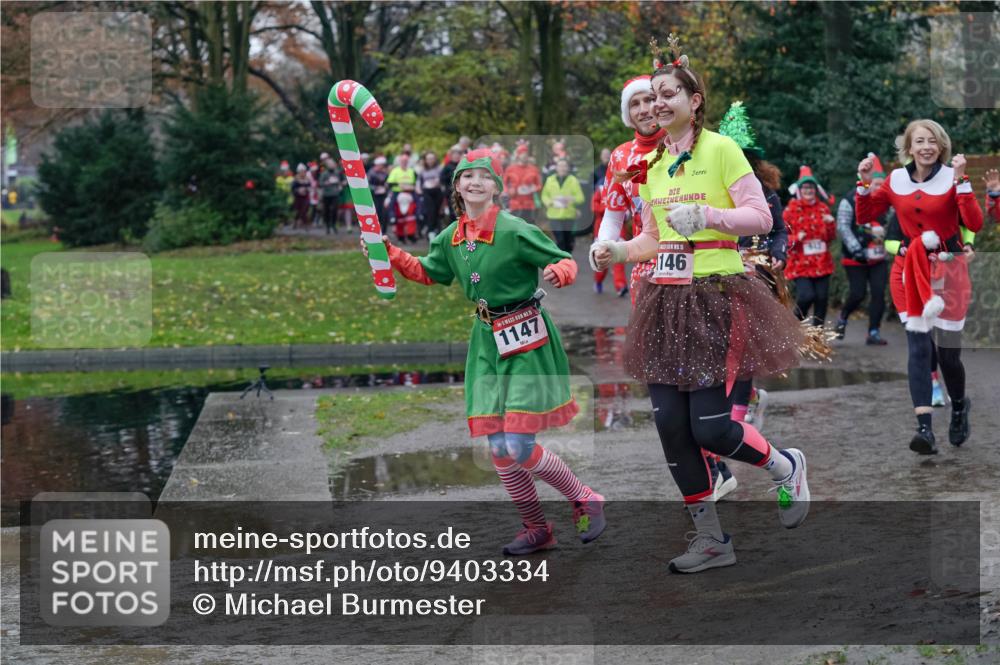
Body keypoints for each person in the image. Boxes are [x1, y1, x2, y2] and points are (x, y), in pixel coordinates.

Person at [591, 34, 809, 573]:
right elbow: (652, 238)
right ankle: (711, 539)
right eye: (652, 95)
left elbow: (761, 218)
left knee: (710, 428)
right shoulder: (652, 165)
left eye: (669, 93)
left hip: (716, 295)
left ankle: (785, 466)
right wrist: (618, 250)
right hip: (662, 300)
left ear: (694, 101)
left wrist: (709, 217)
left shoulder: (721, 149)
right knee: (670, 426)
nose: (658, 103)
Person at [361, 148, 606, 555]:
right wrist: (389, 253)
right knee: (497, 447)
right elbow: (429, 271)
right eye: (467, 176)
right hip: (486, 341)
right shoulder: (450, 237)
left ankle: (585, 497)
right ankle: (537, 528)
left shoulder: (514, 229)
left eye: (484, 176)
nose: (475, 182)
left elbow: (563, 259)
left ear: (496, 187)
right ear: (457, 186)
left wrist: (560, 271)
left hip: (526, 341)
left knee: (519, 444)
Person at [856, 119, 983, 454]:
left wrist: (963, 181)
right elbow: (865, 215)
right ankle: (924, 428)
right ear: (909, 147)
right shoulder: (896, 179)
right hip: (910, 270)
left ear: (941, 147)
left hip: (949, 271)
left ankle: (959, 406)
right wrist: (864, 183)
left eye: (933, 141)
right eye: (920, 141)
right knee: (919, 347)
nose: (927, 147)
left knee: (948, 355)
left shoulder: (952, 177)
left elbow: (974, 222)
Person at [717, 100, 789, 437]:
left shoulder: (766, 193)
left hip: (755, 275)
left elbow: (779, 231)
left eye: (742, 156)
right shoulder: (710, 189)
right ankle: (746, 399)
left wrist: (778, 253)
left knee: (742, 343)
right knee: (722, 345)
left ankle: (739, 416)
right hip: (717, 273)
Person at [590, 75, 665, 301]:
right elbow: (614, 216)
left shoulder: (684, 145)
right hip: (645, 266)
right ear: (628, 114)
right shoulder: (620, 156)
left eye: (649, 99)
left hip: (694, 265)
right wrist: (603, 245)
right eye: (634, 104)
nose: (643, 109)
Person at [834, 152, 892, 345]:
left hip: (878, 257)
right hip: (855, 257)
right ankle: (843, 316)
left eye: (882, 184)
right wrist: (856, 248)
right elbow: (843, 226)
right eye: (876, 184)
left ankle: (873, 332)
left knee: (878, 293)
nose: (879, 188)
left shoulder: (887, 202)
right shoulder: (850, 199)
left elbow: (893, 225)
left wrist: (889, 242)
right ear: (868, 182)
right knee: (858, 293)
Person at [783, 165, 836, 326]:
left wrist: (830, 224)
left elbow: (830, 238)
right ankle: (794, 326)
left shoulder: (823, 208)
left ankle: (817, 334)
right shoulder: (790, 210)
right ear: (800, 190)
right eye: (805, 187)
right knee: (806, 296)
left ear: (816, 190)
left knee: (821, 298)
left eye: (811, 187)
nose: (809, 190)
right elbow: (781, 238)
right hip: (800, 264)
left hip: (821, 262)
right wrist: (796, 238)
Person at [541, 157, 585, 253]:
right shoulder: (550, 180)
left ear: (568, 168)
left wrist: (572, 199)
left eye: (565, 166)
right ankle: (562, 259)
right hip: (554, 215)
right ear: (556, 168)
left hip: (569, 215)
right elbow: (544, 195)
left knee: (568, 241)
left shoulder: (573, 180)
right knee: (560, 239)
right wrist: (550, 202)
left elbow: (581, 198)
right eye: (560, 166)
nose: (562, 168)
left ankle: (568, 257)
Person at [503, 143, 542, 224]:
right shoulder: (510, 169)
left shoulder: (534, 169)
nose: (524, 155)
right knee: (515, 227)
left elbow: (539, 185)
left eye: (526, 153)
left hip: (529, 205)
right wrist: (509, 191)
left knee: (529, 227)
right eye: (522, 153)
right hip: (514, 205)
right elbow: (503, 184)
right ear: (518, 155)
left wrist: (533, 188)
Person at [417, 151, 445, 239]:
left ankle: (437, 231)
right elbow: (419, 181)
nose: (430, 160)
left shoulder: (439, 168)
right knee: (430, 211)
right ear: (425, 160)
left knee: (437, 212)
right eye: (428, 159)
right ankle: (430, 231)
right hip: (427, 192)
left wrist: (439, 181)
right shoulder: (422, 170)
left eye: (432, 158)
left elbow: (443, 180)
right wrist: (418, 189)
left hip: (437, 192)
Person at [320, 157, 345, 234]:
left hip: (335, 194)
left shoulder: (338, 172)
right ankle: (327, 226)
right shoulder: (324, 173)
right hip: (326, 194)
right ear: (327, 165)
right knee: (326, 211)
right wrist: (326, 183)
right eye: (330, 164)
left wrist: (342, 184)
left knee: (335, 210)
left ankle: (333, 225)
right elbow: (320, 183)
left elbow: (343, 180)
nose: (332, 165)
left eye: (333, 164)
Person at [368, 156, 390, 225]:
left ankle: (383, 228)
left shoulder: (385, 173)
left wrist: (386, 185)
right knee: (376, 211)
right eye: (382, 165)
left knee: (384, 212)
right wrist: (376, 188)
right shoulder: (371, 173)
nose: (383, 167)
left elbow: (388, 183)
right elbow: (367, 185)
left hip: (383, 195)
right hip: (374, 196)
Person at [291, 163, 312, 229]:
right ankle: (295, 222)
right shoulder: (296, 179)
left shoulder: (307, 179)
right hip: (298, 198)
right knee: (298, 211)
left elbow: (309, 187)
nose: (303, 173)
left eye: (304, 171)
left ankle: (306, 224)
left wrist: (306, 189)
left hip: (305, 197)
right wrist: (298, 190)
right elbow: (293, 189)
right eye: (301, 171)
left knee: (304, 210)